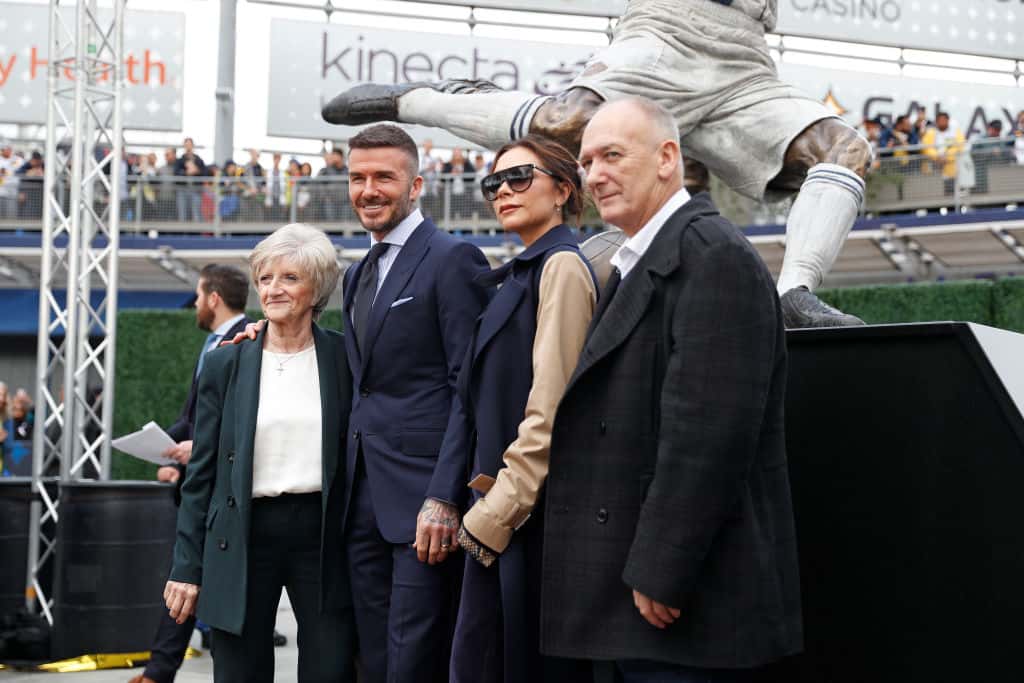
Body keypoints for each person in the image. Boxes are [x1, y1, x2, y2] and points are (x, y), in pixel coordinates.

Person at [322, 0, 871, 328]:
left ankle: (793, 294)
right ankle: (423, 99)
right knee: (568, 122)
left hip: (746, 55)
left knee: (844, 149)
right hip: (665, 25)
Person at [539, 98, 801, 682]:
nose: (594, 175)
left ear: (666, 159)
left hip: (685, 604)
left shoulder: (714, 257)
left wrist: (662, 568)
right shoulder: (643, 256)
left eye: (612, 155)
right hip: (639, 599)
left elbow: (709, 438)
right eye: (587, 162)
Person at [230, 124, 492, 682]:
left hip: (423, 502)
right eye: (357, 178)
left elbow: (468, 389)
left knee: (415, 658)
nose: (368, 190)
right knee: (371, 657)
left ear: (416, 185)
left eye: (384, 178)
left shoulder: (453, 258)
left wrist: (445, 496)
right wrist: (263, 333)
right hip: (357, 506)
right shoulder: (356, 276)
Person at [164, 224, 356, 682]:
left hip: (323, 535)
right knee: (239, 671)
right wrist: (186, 566)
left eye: (290, 278)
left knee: (331, 669)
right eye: (265, 278)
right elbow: (201, 477)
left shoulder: (345, 358)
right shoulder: (225, 362)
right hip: (242, 532)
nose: (273, 289)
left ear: (316, 289)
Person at [440, 135, 597, 682]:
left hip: (525, 517)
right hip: (502, 512)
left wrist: (496, 513)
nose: (503, 190)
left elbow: (551, 405)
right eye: (494, 183)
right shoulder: (527, 270)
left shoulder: (562, 267)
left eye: (520, 177)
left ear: (563, 191)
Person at [130, 265, 251, 683]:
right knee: (184, 576)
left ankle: (159, 672)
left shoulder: (251, 340)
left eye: (199, 296)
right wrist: (165, 449)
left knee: (188, 576)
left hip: (227, 489)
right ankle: (159, 671)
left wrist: (199, 448)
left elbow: (242, 418)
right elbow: (193, 417)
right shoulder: (211, 345)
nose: (196, 304)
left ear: (214, 298)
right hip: (199, 483)